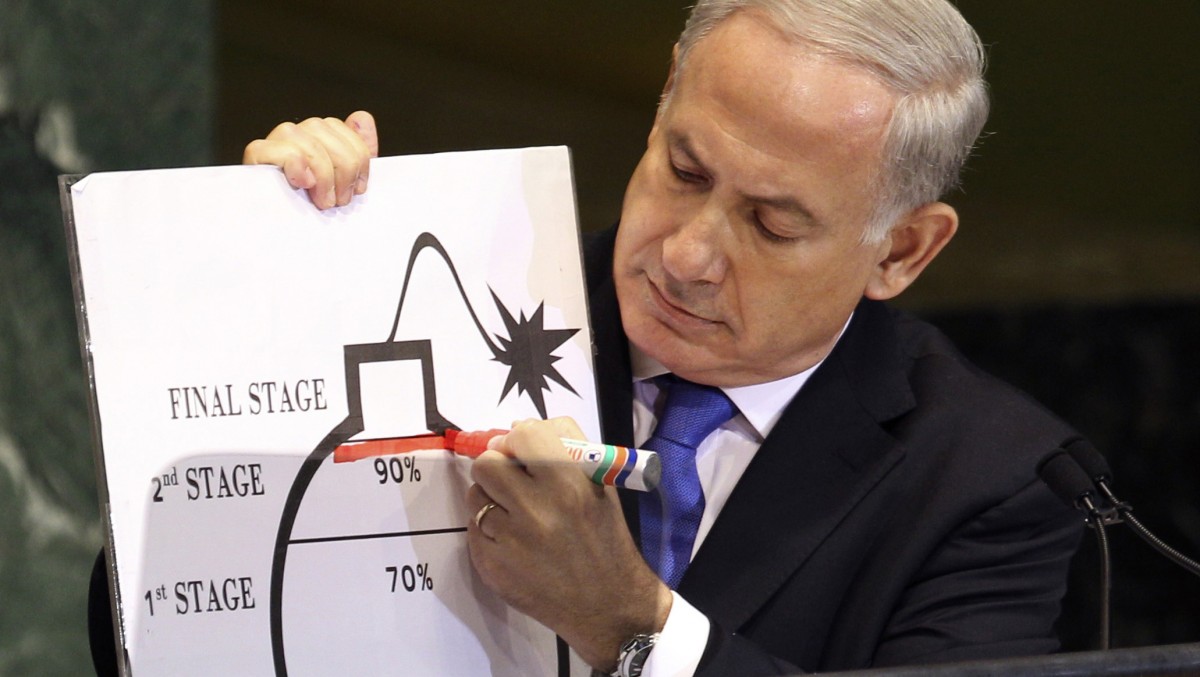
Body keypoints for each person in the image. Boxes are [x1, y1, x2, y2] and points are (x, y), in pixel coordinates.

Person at [92, 1, 1085, 675]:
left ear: (903, 249)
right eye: (684, 170)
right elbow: (145, 629)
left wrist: (634, 627)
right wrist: (283, 287)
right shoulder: (454, 297)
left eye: (773, 224)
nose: (689, 254)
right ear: (661, 102)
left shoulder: (993, 482)